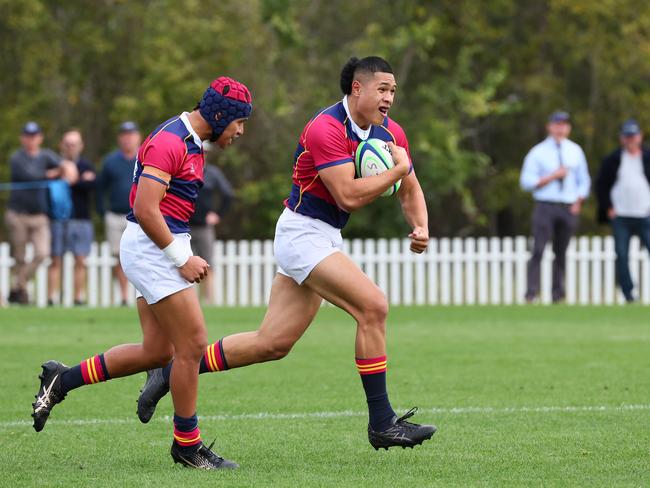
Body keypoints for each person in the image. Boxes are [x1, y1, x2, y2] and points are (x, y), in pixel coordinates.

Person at [138, 56, 436, 450]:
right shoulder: (325, 127)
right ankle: (382, 423)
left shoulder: (391, 133)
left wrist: (420, 226)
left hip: (325, 235)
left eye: (393, 91)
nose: (389, 98)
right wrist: (397, 172)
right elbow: (348, 193)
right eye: (382, 89)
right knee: (373, 306)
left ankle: (173, 370)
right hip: (302, 233)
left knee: (272, 343)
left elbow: (412, 188)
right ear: (357, 88)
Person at [31, 76, 252, 470]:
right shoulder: (171, 140)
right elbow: (147, 208)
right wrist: (180, 257)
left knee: (157, 351)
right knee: (193, 344)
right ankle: (188, 445)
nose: (241, 131)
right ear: (220, 115)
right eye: (239, 121)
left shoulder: (191, 141)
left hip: (157, 245)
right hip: (153, 248)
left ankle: (60, 381)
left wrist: (179, 250)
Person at [520, 111, 591, 303]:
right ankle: (531, 293)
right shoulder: (538, 152)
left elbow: (584, 180)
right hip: (545, 205)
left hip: (568, 207)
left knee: (561, 252)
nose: (560, 128)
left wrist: (578, 201)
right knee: (539, 249)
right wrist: (553, 176)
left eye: (564, 124)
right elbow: (526, 182)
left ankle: (557, 294)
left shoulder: (575, 151)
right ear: (549, 126)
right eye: (557, 124)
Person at [4, 122, 76, 304]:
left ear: (40, 138)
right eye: (27, 136)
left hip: (39, 215)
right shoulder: (16, 158)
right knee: (19, 257)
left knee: (43, 253)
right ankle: (21, 293)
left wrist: (66, 168)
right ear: (22, 138)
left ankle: (17, 286)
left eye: (34, 136)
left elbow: (65, 166)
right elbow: (31, 175)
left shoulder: (46, 155)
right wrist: (53, 173)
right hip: (18, 214)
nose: (31, 140)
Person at [595, 119, 650, 303]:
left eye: (633, 136)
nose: (631, 140)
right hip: (621, 215)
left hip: (645, 214)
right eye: (627, 136)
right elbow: (601, 185)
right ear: (622, 139)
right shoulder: (612, 159)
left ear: (640, 137)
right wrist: (608, 208)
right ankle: (628, 294)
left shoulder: (647, 157)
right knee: (622, 255)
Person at [48, 129, 96, 305]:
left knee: (80, 260)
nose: (70, 147)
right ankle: (51, 298)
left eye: (74, 144)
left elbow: (91, 185)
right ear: (62, 145)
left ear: (81, 146)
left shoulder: (87, 165)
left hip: (81, 218)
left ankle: (78, 298)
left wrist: (75, 180)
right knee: (55, 259)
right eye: (67, 144)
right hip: (57, 219)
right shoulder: (53, 164)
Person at [96, 121, 142, 305]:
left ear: (138, 137)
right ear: (119, 138)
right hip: (115, 215)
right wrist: (103, 211)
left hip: (140, 216)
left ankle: (142, 295)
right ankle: (124, 296)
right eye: (124, 134)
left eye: (131, 134)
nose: (128, 138)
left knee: (142, 256)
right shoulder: (110, 162)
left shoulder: (146, 157)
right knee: (120, 257)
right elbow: (100, 188)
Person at [189, 158, 235, 304]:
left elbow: (228, 195)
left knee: (207, 264)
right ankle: (189, 301)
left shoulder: (212, 173)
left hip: (203, 227)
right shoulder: (183, 170)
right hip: (184, 226)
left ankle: (208, 300)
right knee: (183, 264)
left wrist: (218, 214)